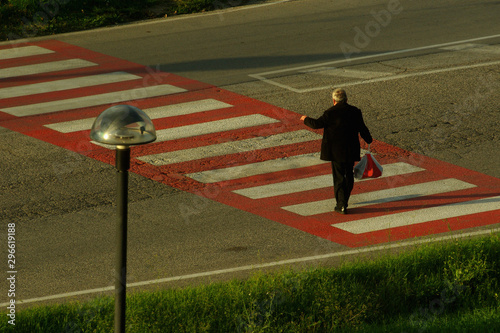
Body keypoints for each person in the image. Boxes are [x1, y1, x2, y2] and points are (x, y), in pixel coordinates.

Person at [300, 88, 372, 214]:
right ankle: (344, 201)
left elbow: (317, 124)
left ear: (333, 100)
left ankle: (341, 205)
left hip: (336, 151)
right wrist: (369, 140)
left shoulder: (330, 112)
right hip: (351, 149)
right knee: (349, 175)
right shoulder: (355, 111)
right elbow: (362, 128)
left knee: (339, 177)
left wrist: (305, 118)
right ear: (346, 99)